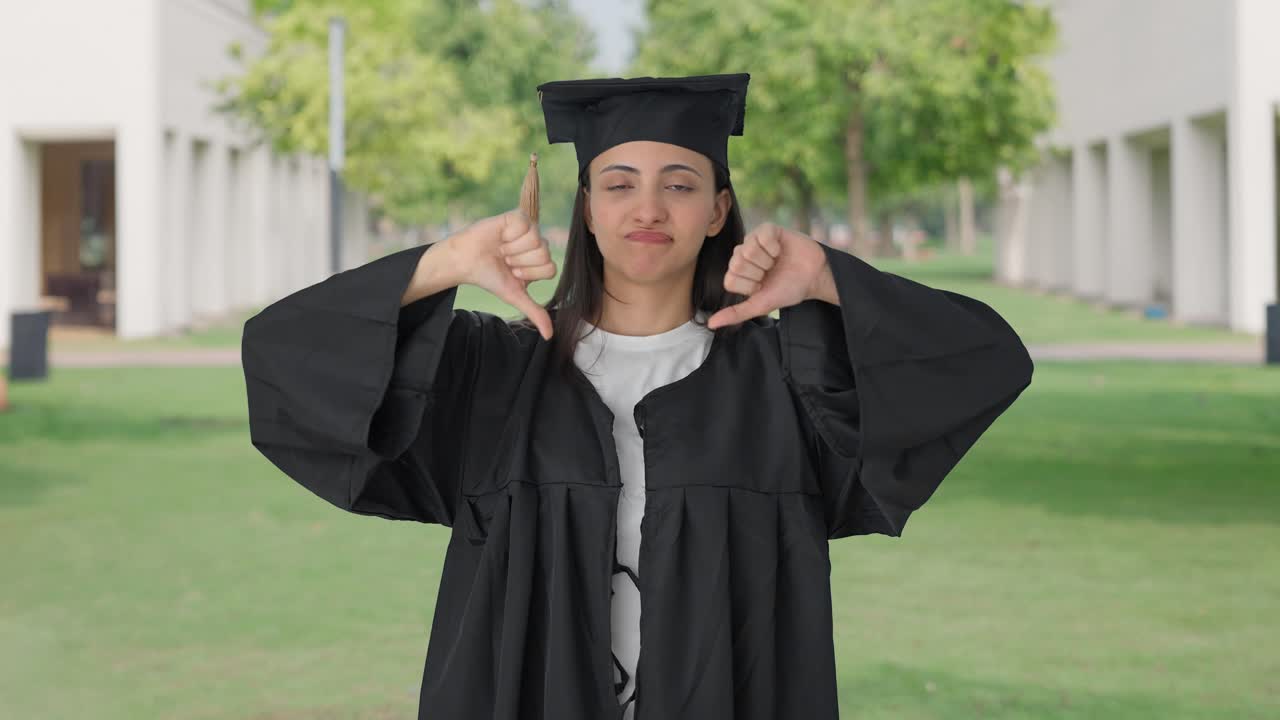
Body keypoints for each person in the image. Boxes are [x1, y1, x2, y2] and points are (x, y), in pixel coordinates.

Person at [241, 72, 1034, 720]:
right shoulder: (494, 375)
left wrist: (827, 278)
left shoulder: (788, 379)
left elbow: (985, 363)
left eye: (680, 184)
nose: (647, 209)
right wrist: (445, 261)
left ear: (718, 209)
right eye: (618, 184)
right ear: (587, 208)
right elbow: (283, 358)